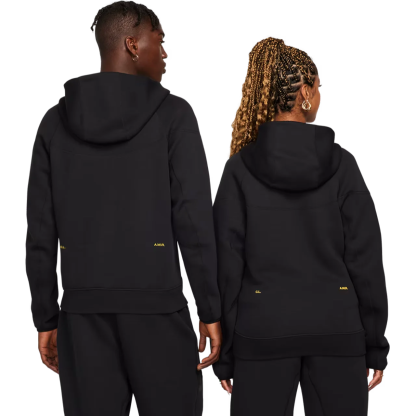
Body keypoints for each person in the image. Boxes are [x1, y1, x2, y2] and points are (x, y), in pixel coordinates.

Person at [24, 1, 222, 415]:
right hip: (159, 310)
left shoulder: (53, 123)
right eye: (159, 41)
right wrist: (210, 308)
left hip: (81, 315)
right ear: (132, 45)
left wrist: (46, 317)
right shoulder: (175, 114)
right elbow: (194, 223)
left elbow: (40, 231)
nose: (165, 53)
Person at [211, 35, 389, 416]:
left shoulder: (238, 170)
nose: (321, 96)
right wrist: (376, 345)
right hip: (337, 331)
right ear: (305, 93)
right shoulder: (344, 165)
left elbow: (225, 271)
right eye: (320, 87)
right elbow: (366, 263)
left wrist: (224, 356)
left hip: (261, 333)